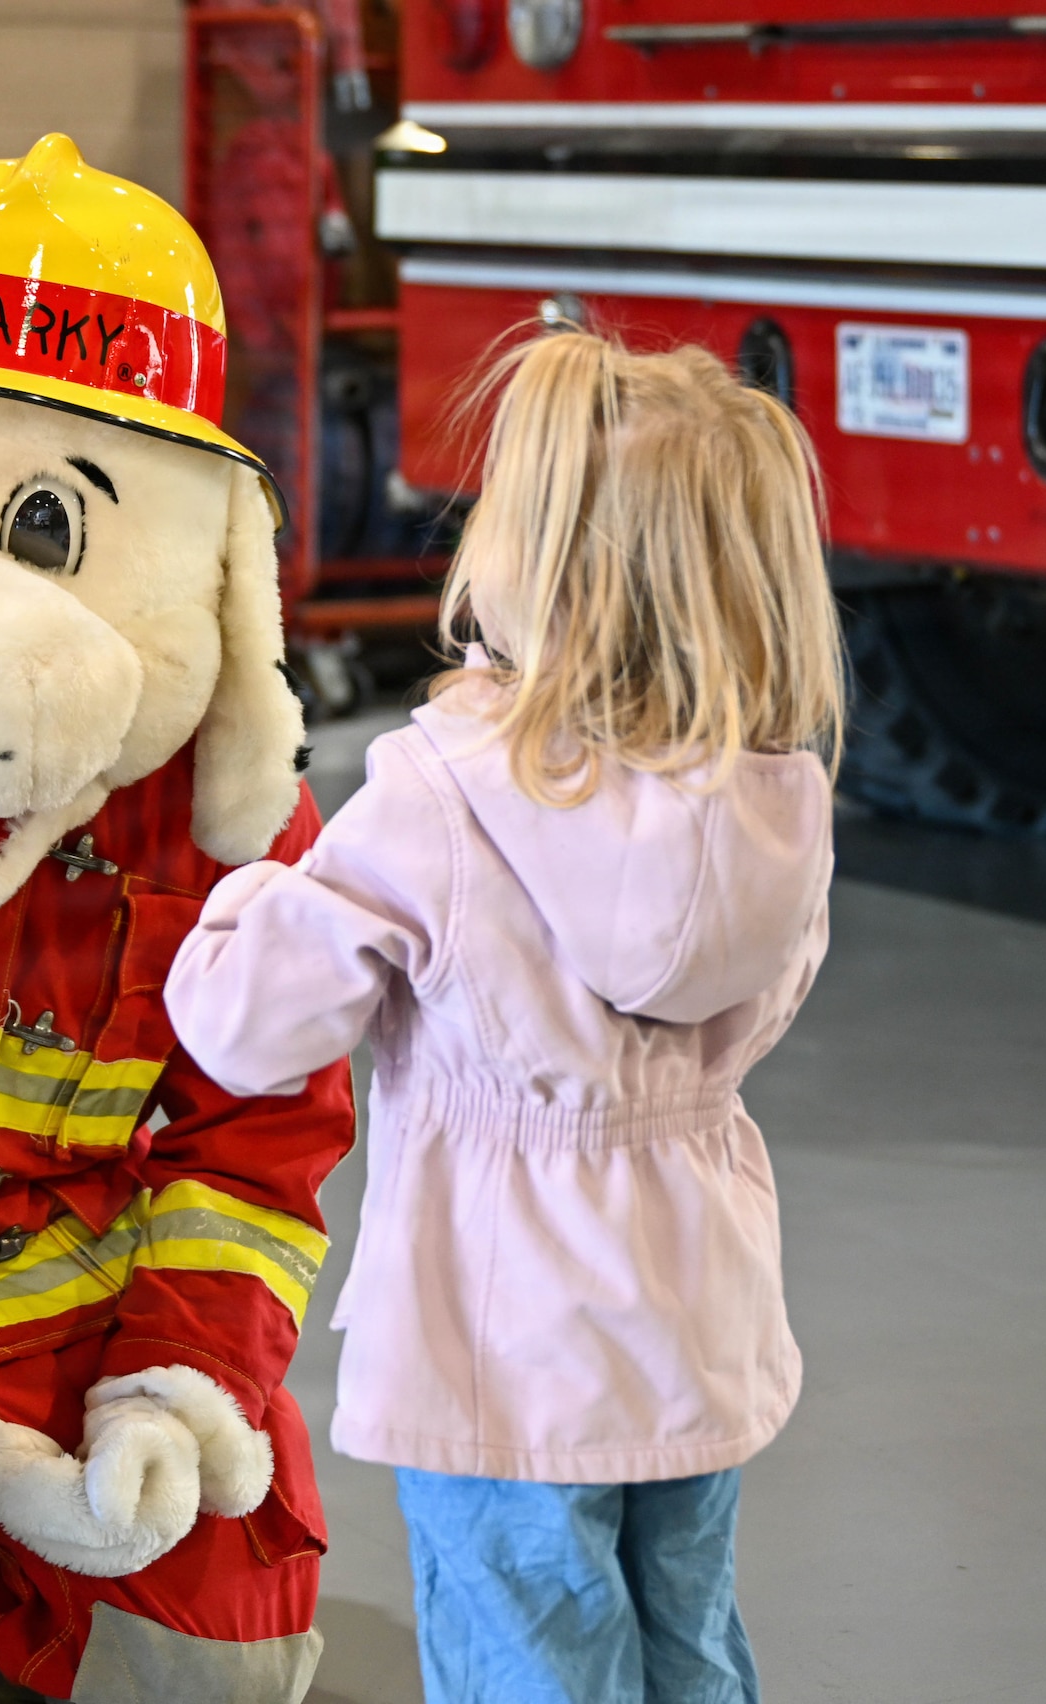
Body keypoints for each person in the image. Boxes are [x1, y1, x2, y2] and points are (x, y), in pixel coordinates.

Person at [164, 329, 844, 1704]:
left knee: (524, 1661)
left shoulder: (443, 796)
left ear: (543, 573)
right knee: (689, 1645)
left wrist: (238, 890)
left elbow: (245, 1024)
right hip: (699, 1312)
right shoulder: (781, 799)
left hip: (503, 1343)